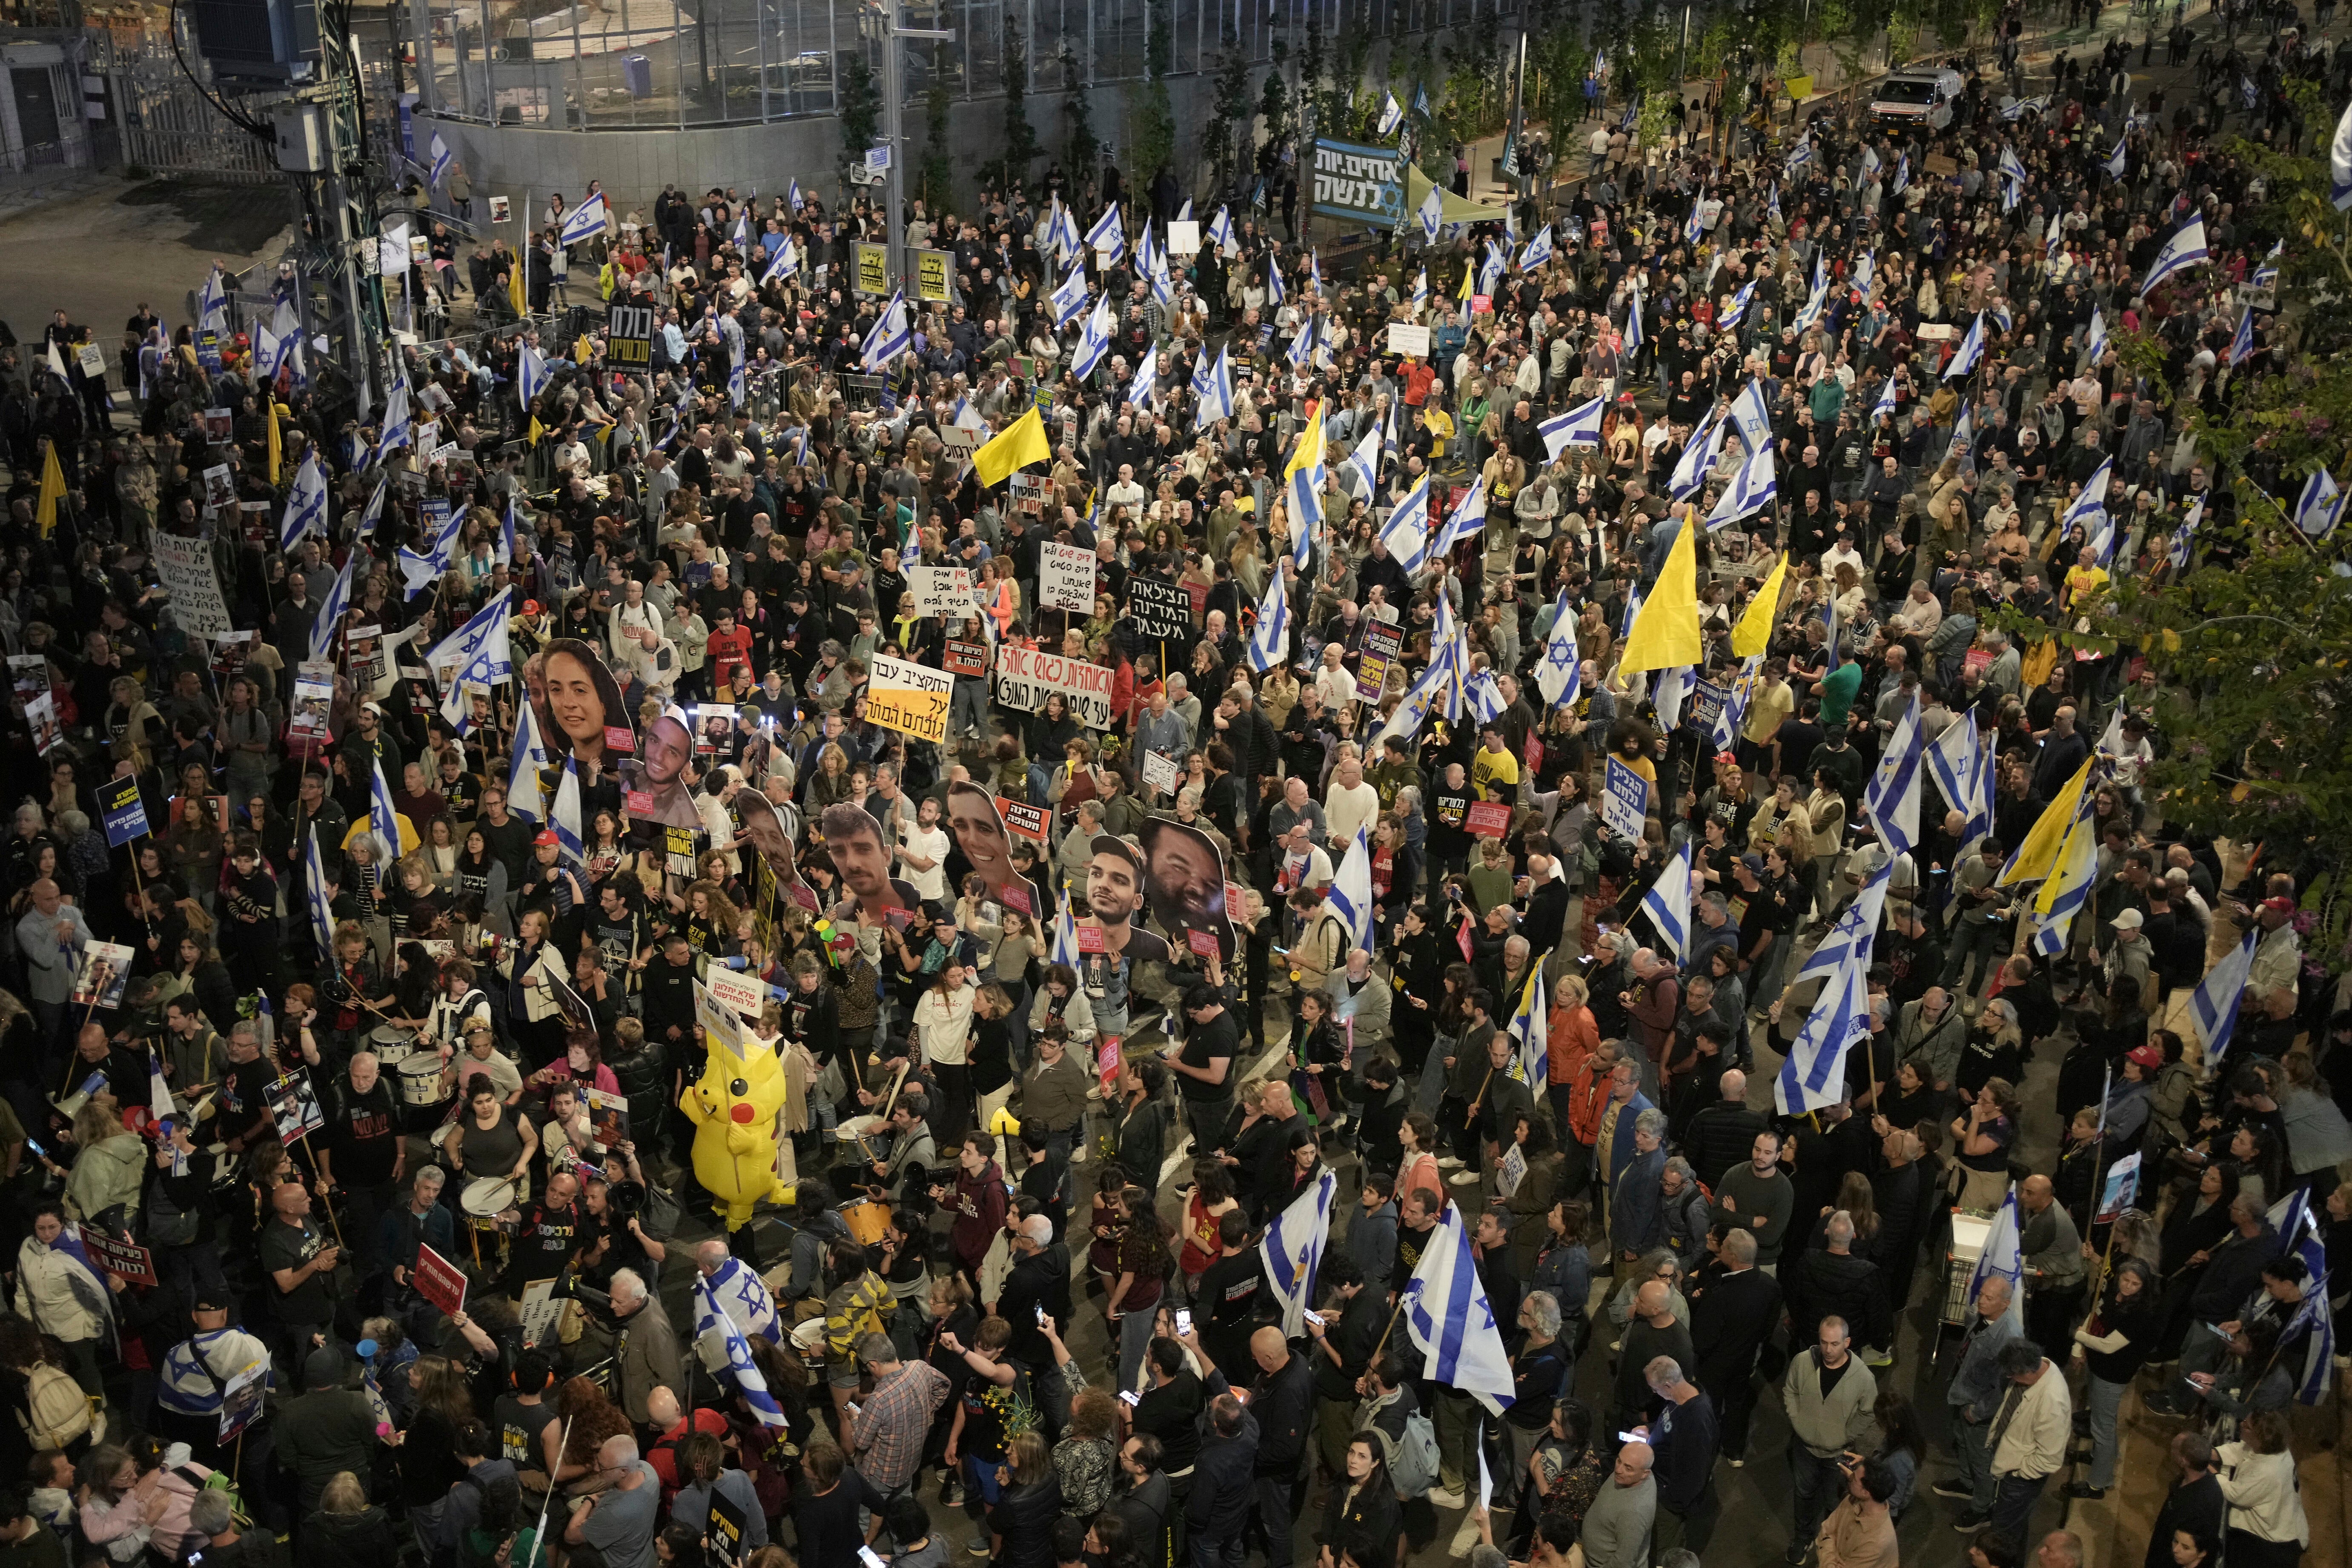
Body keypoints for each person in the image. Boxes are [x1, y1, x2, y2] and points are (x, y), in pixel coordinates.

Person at [1781, 1316, 1877, 1562]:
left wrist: (1846, 1435)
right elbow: (1790, 1390)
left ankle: (1830, 1541)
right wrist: (1798, 1420)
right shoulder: (1802, 1362)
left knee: (1835, 1502)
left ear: (1847, 1342)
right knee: (1803, 1495)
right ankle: (1802, 1538)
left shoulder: (1863, 1377)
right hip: (1805, 1449)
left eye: (1835, 1344)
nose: (1828, 1350)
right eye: (1824, 1342)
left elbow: (1869, 1411)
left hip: (1838, 1453)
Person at [563, 1435, 661, 1568]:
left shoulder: (616, 1512)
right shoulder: (648, 1471)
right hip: (644, 1557)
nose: (597, 1469)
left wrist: (589, 1501)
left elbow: (571, 1536)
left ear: (623, 1471)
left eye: (603, 1468)